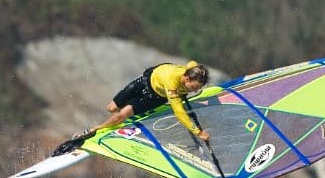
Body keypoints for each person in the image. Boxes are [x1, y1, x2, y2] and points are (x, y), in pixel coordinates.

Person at [54, 61, 211, 155]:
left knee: (123, 114)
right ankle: (117, 120)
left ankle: (95, 129)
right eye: (193, 87)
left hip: (156, 96)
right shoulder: (172, 81)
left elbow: (192, 63)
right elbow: (179, 112)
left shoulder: (190, 71)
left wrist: (198, 131)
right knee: (111, 107)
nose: (194, 91)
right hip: (145, 81)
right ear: (186, 77)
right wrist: (198, 131)